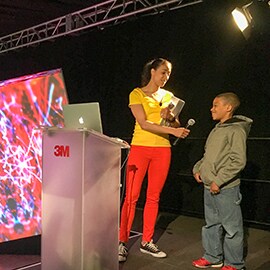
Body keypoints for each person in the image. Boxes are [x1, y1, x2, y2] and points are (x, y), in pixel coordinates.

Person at [118, 58, 190, 262]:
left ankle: (146, 241)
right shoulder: (137, 93)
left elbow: (175, 122)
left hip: (162, 150)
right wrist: (172, 130)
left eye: (168, 74)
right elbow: (144, 123)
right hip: (140, 148)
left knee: (153, 197)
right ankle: (121, 242)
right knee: (131, 197)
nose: (166, 77)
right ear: (152, 71)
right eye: (163, 72)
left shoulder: (169, 96)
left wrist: (170, 117)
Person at [192, 92, 252, 270]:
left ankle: (234, 264)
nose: (212, 108)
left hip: (225, 188)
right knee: (211, 224)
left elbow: (238, 161)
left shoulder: (236, 130)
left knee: (232, 228)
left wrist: (218, 180)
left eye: (216, 105)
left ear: (228, 108)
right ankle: (213, 257)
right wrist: (198, 169)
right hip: (209, 186)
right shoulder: (217, 128)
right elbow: (208, 156)